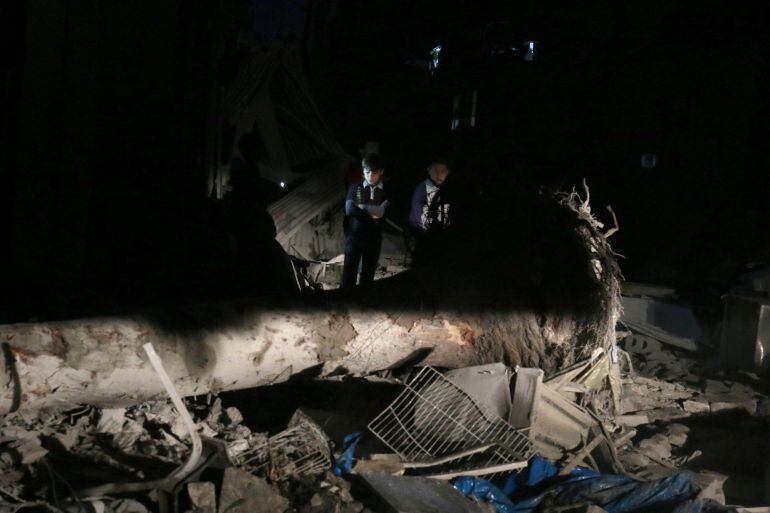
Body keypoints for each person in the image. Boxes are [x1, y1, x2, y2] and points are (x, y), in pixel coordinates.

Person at [341, 153, 390, 289]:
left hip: (373, 239)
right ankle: (345, 304)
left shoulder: (384, 192)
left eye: (374, 172)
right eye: (367, 172)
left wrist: (363, 207)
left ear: (381, 172)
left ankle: (363, 306)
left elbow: (384, 212)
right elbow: (349, 209)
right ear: (363, 171)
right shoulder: (356, 187)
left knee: (367, 276)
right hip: (354, 238)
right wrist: (374, 211)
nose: (370, 176)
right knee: (349, 275)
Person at [408, 158, 452, 266]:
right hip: (422, 231)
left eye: (443, 171)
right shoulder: (423, 188)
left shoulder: (444, 189)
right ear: (429, 170)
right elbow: (419, 212)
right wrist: (432, 225)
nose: (439, 174)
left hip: (437, 231)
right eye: (436, 170)